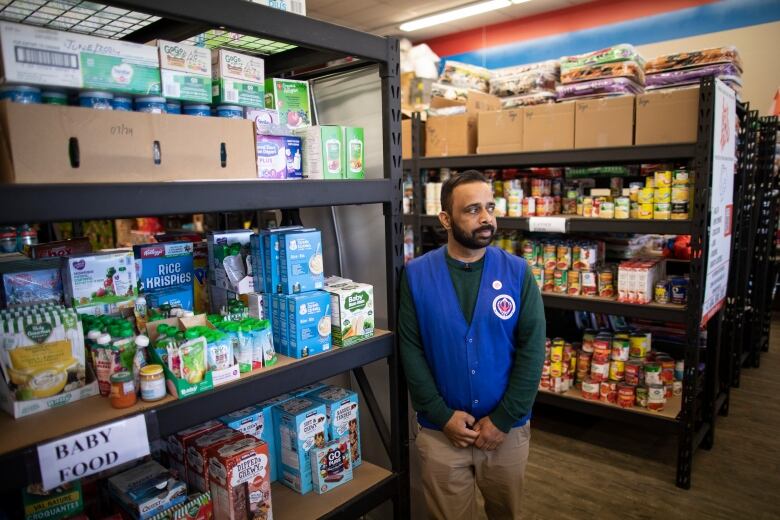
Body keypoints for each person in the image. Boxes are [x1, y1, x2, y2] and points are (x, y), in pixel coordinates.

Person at [400, 170, 546, 520]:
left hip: (506, 433)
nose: (486, 219)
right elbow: (411, 350)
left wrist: (504, 418)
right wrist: (441, 415)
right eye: (472, 210)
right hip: (441, 435)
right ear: (446, 219)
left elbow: (533, 350)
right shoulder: (417, 275)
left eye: (490, 208)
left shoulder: (518, 272)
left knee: (505, 513)